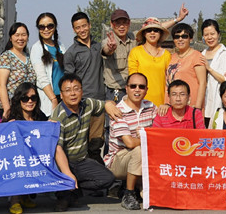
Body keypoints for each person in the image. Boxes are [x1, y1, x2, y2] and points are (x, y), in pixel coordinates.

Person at [50, 74, 116, 211]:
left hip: (81, 160)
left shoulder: (87, 104)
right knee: (66, 181)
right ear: (61, 95)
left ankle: (74, 193)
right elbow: (57, 149)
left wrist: (110, 105)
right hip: (62, 162)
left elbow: (104, 105)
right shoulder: (58, 117)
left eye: (76, 89)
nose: (73, 93)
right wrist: (68, 173)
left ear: (82, 91)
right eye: (67, 90)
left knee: (107, 178)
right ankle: (64, 194)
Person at [103, 8, 186, 105]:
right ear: (112, 24)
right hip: (120, 92)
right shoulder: (111, 41)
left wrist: (177, 19)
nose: (152, 32)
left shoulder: (134, 38)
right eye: (118, 23)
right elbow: (106, 50)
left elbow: (155, 27)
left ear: (129, 24)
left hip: (160, 101)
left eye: (124, 23)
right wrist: (110, 48)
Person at [104, 73, 157, 210]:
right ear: (126, 89)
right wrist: (147, 137)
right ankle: (129, 193)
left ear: (146, 90)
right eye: (133, 86)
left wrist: (167, 107)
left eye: (141, 86)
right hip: (117, 161)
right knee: (138, 150)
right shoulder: (118, 110)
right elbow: (130, 143)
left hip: (139, 158)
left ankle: (142, 188)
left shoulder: (151, 107)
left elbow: (161, 133)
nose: (137, 89)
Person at [64, 12, 106, 162]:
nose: (82, 30)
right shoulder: (71, 53)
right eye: (78, 28)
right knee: (81, 143)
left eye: (84, 26)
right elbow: (69, 81)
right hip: (82, 103)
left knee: (96, 142)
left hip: (100, 101)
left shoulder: (99, 47)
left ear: (89, 25)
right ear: (74, 30)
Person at [2, 83, 49, 214]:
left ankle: (25, 196)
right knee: (20, 163)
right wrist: (6, 128)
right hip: (16, 159)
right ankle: (15, 201)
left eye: (33, 98)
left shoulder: (40, 116)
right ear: (18, 99)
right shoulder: (12, 117)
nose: (30, 101)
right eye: (25, 98)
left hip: (36, 156)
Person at [128, 17, 171, 107]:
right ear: (144, 33)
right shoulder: (136, 52)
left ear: (160, 33)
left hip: (162, 103)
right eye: (149, 30)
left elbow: (169, 80)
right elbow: (133, 78)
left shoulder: (166, 55)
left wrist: (167, 102)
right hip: (141, 101)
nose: (152, 33)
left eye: (156, 30)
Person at [0, 22, 37, 113]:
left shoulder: (29, 57)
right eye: (17, 35)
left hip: (27, 107)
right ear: (11, 38)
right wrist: (7, 109)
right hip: (11, 108)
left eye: (23, 35)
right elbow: (1, 85)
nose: (20, 38)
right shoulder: (6, 56)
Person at [165, 22, 206, 110]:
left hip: (191, 105)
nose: (180, 39)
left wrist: (198, 107)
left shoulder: (197, 56)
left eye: (184, 36)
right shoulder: (172, 57)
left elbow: (202, 83)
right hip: (173, 104)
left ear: (190, 39)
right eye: (177, 37)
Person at [30, 12, 64, 116]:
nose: (46, 30)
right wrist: (53, 99)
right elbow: (41, 77)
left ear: (55, 27)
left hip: (64, 97)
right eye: (42, 27)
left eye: (50, 26)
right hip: (49, 98)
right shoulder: (37, 48)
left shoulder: (61, 46)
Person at [200, 19, 226, 122]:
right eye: (206, 35)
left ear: (218, 34)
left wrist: (209, 69)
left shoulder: (225, 55)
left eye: (212, 34)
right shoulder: (202, 54)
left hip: (218, 101)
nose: (209, 37)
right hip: (204, 102)